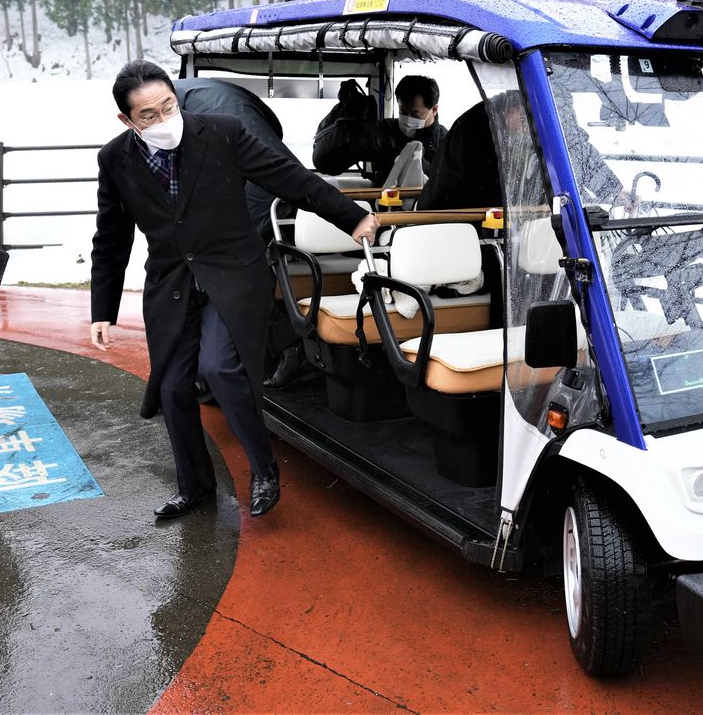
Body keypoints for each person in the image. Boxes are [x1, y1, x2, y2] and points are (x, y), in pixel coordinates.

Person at [90, 60, 379, 520]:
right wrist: (102, 308)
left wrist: (351, 216)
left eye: (169, 106)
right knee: (173, 387)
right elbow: (111, 236)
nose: (164, 119)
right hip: (172, 282)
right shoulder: (115, 159)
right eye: (149, 115)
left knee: (220, 367)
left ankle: (263, 469)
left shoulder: (222, 132)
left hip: (234, 272)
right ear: (127, 120)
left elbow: (289, 177)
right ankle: (194, 488)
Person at [173, 77, 308, 390]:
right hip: (271, 181)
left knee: (236, 270)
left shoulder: (187, 110)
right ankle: (271, 350)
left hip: (262, 187)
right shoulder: (197, 96)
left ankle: (283, 349)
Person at [311, 74, 447, 186]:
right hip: (382, 203)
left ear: (434, 110)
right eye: (403, 112)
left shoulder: (445, 140)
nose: (408, 118)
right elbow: (327, 164)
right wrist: (349, 122)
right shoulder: (384, 130)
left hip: (428, 207)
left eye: (416, 114)